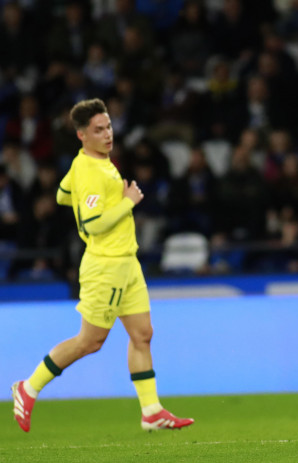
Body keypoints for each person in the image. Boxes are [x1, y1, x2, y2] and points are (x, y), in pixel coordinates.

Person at [11, 98, 194, 432]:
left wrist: (89, 195)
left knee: (142, 334)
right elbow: (94, 224)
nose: (108, 134)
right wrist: (127, 202)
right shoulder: (94, 171)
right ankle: (28, 387)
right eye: (99, 130)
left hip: (127, 262)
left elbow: (62, 195)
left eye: (108, 126)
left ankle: (151, 411)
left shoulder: (89, 164)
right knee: (90, 341)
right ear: (82, 135)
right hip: (105, 265)